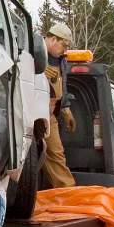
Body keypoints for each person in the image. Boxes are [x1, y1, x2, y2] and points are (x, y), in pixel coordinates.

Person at [41, 21, 77, 189]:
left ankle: (67, 192)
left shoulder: (61, 59)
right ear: (53, 39)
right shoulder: (32, 49)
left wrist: (66, 108)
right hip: (29, 112)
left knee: (56, 153)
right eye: (64, 45)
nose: (66, 50)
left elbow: (62, 85)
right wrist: (39, 70)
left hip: (49, 113)